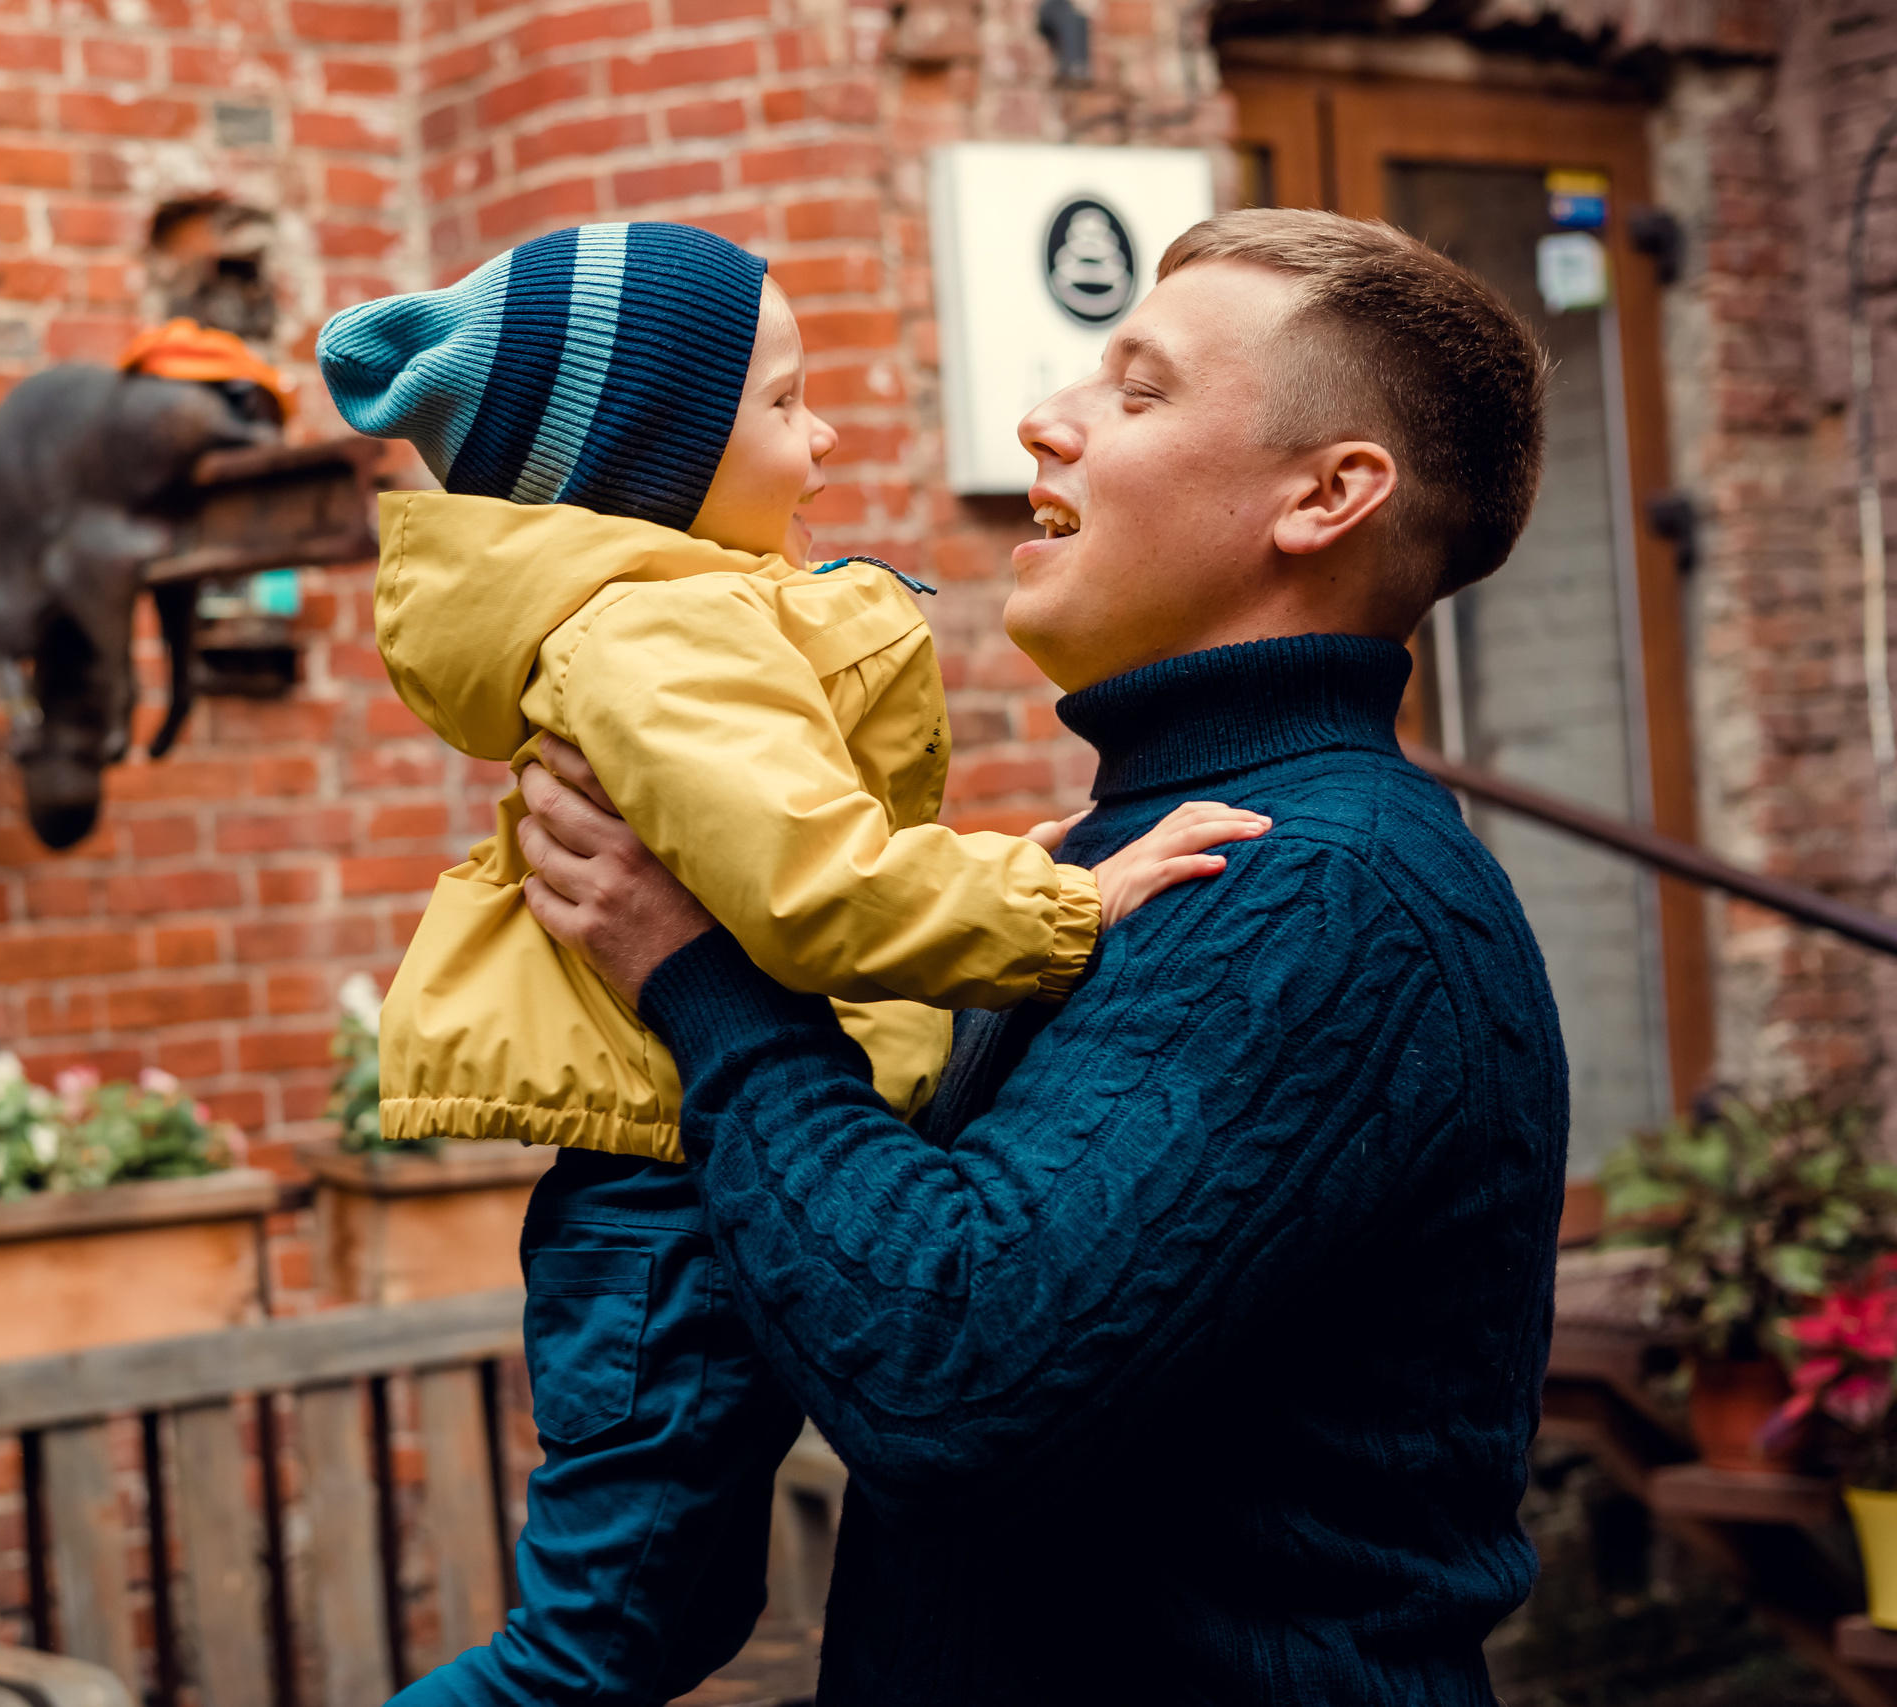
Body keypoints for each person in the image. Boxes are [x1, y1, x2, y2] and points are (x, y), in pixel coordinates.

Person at [512, 208, 1571, 1704]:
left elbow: (951, 1378)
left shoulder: (1324, 892)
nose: (1045, 420)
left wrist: (699, 979)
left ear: (1329, 496)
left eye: (1139, 394)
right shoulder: (1135, 856)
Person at [314, 221, 1265, 1706]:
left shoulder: (681, 618)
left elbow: (783, 845)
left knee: (672, 1625)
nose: (820, 437)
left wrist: (1033, 859)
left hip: (680, 1191)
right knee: (592, 1651)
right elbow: (818, 888)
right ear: (654, 452)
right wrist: (1066, 904)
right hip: (668, 1214)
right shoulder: (660, 634)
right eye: (780, 402)